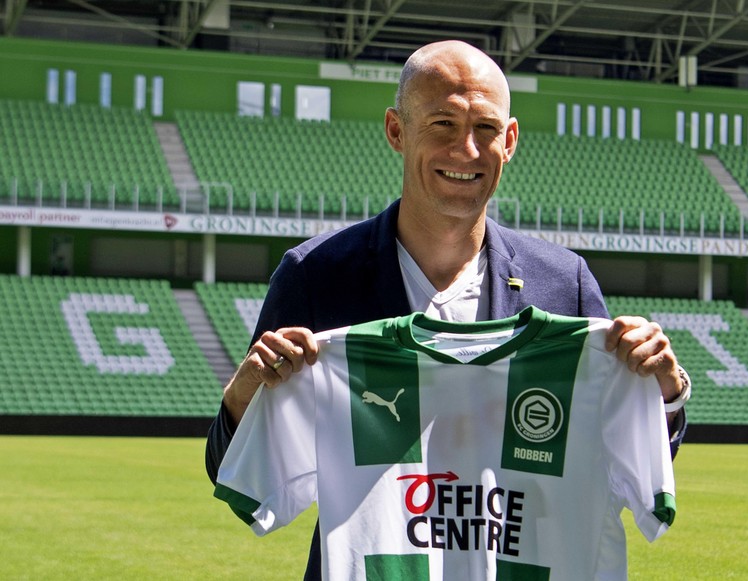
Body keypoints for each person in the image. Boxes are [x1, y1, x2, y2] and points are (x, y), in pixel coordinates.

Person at [206, 39, 689, 579]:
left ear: (509, 141)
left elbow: (629, 467)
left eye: (485, 128)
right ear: (396, 130)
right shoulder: (316, 275)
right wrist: (242, 397)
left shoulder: (565, 284)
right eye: (442, 124)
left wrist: (663, 398)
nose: (466, 149)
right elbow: (237, 474)